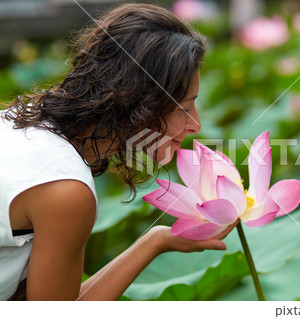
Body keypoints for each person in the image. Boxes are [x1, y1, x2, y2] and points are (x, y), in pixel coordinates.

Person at [0, 3, 237, 301]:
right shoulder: (66, 190)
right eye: (184, 108)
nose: (196, 125)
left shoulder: (17, 119)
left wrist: (156, 240)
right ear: (140, 102)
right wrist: (153, 244)